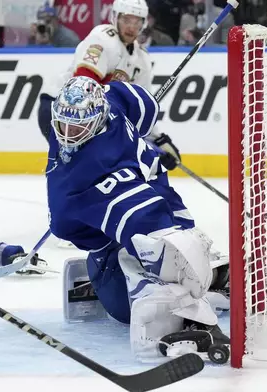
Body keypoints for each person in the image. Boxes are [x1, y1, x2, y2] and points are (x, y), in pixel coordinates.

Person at [39, 76, 229, 360]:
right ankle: (206, 280)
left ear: (100, 115)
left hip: (141, 220)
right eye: (63, 124)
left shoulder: (87, 169)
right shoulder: (112, 102)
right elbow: (146, 106)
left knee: (169, 253)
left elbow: (144, 226)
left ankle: (203, 286)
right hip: (120, 250)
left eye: (78, 126)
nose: (67, 134)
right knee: (167, 253)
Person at [41, 0, 181, 173]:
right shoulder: (102, 39)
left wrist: (157, 141)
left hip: (89, 117)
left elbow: (140, 107)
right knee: (80, 169)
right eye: (126, 20)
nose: (131, 27)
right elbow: (82, 88)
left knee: (96, 170)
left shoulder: (142, 59)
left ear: (144, 23)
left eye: (137, 22)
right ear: (115, 18)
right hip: (61, 110)